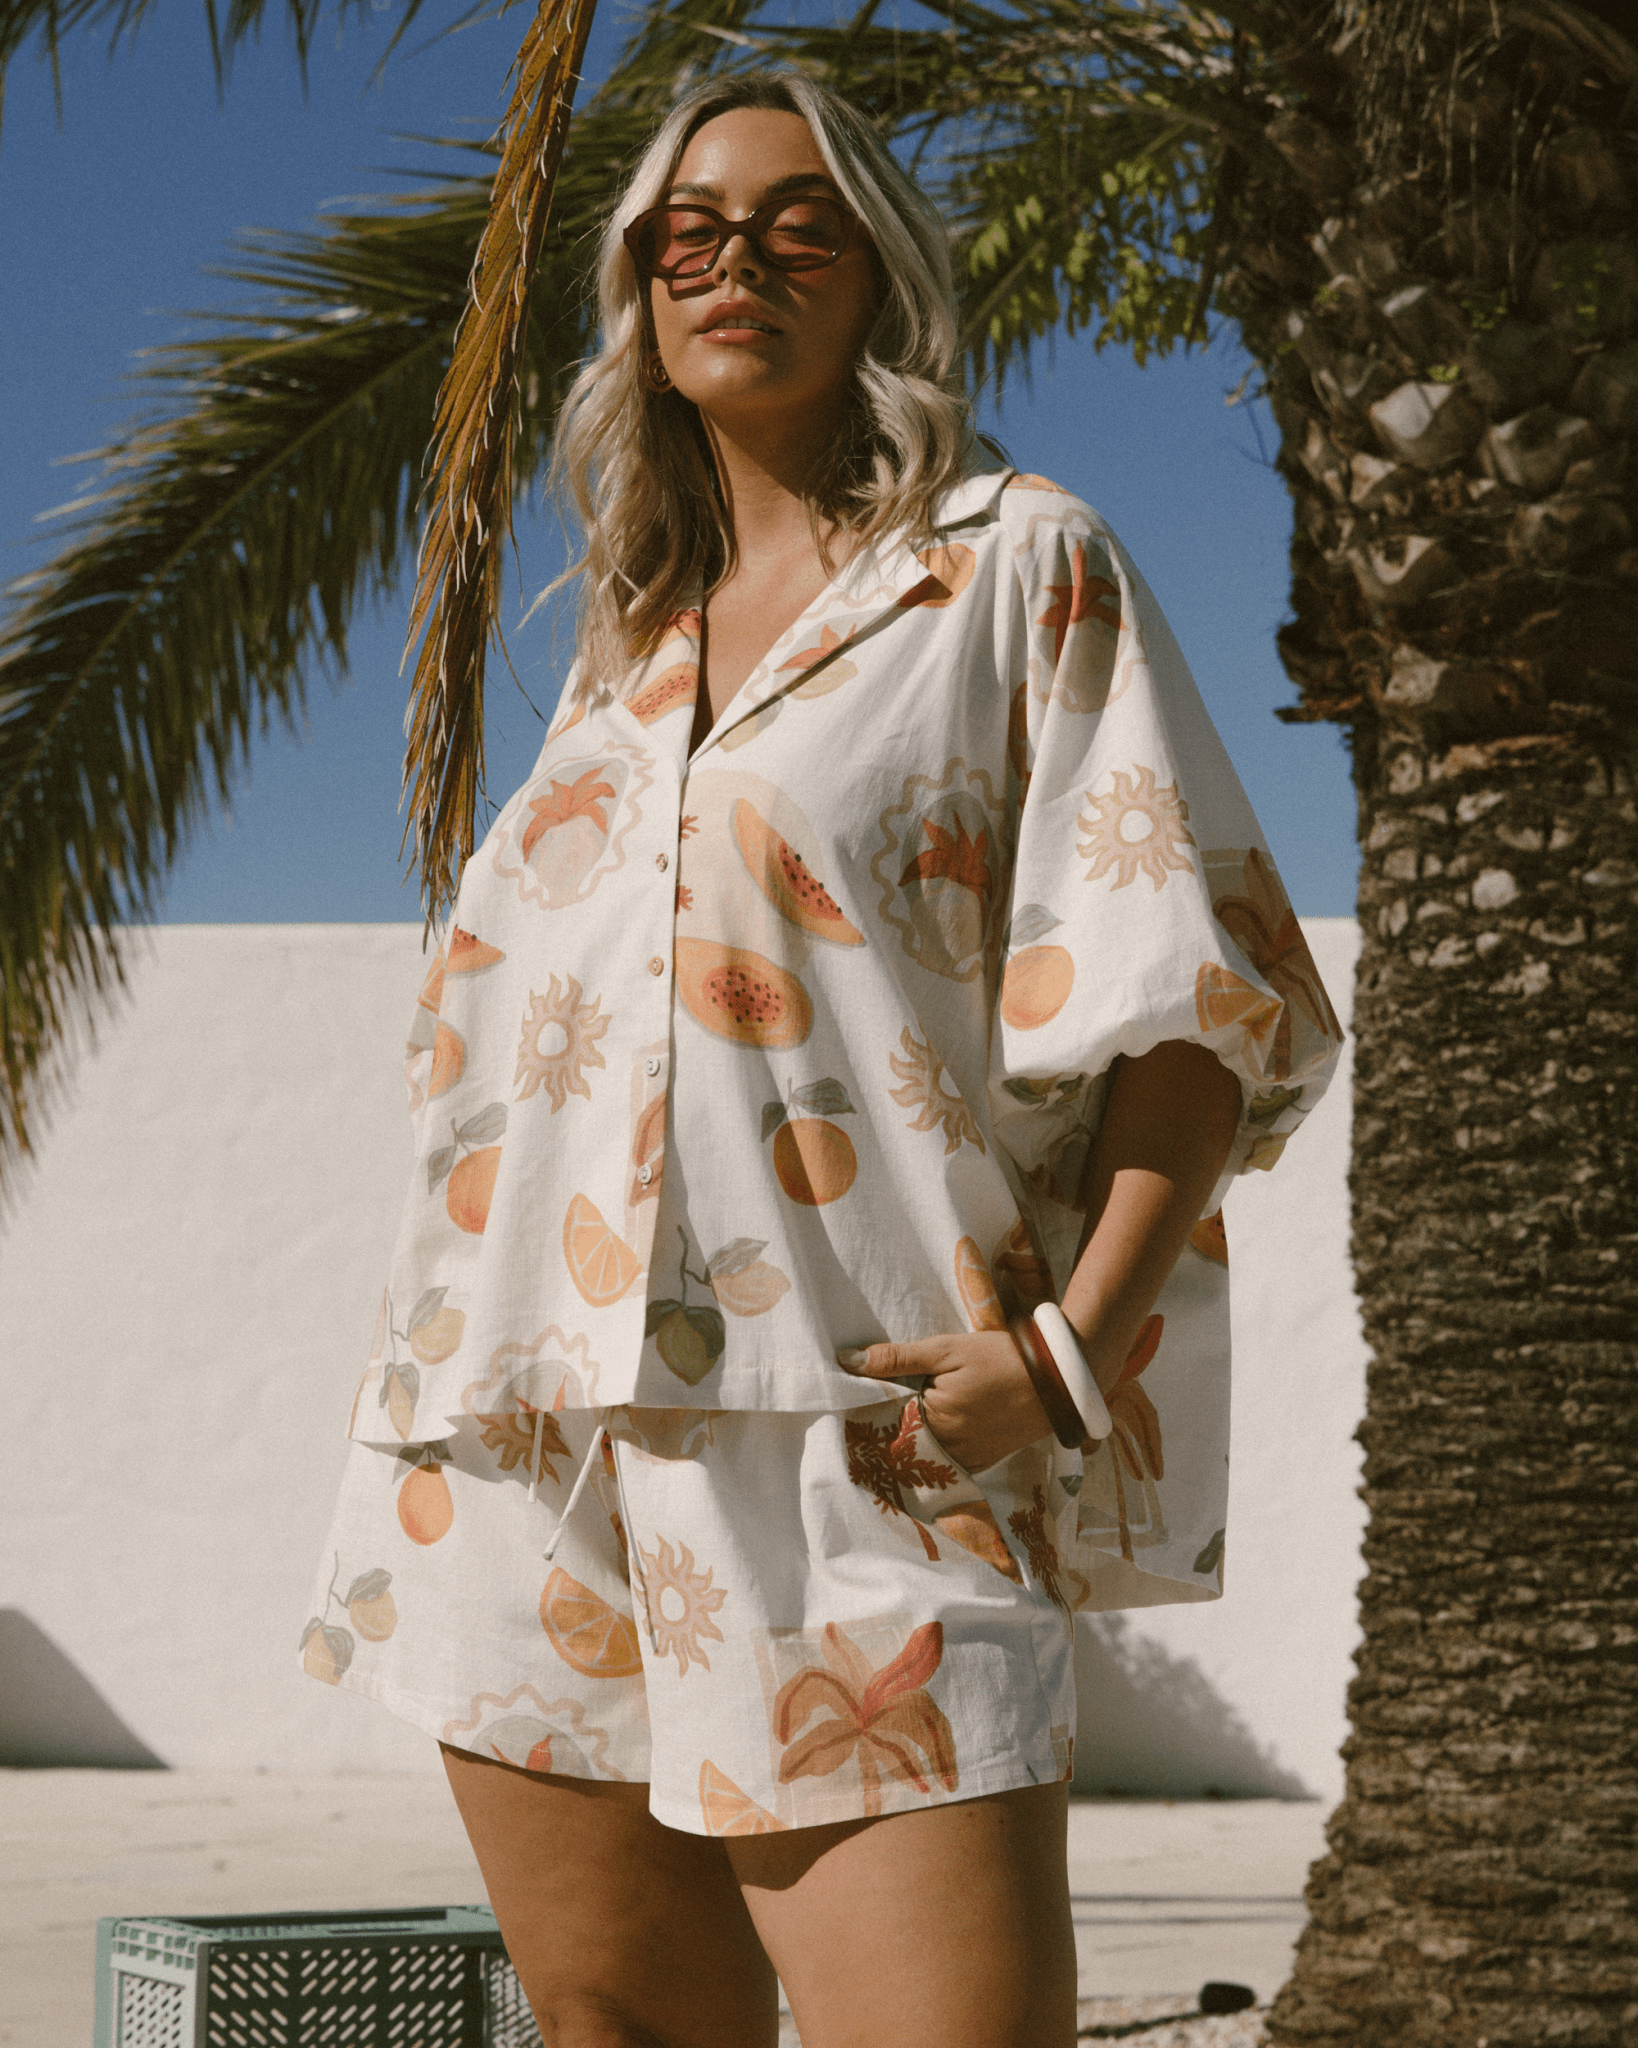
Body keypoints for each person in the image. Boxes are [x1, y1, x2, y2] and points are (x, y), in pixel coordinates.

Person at [300, 68, 1344, 2048]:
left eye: (798, 225)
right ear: (637, 291)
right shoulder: (621, 656)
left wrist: (1068, 1357)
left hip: (861, 1437)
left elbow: (1189, 1001)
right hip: (529, 1437)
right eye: (687, 233)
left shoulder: (1010, 567)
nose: (738, 263)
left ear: (879, 276)